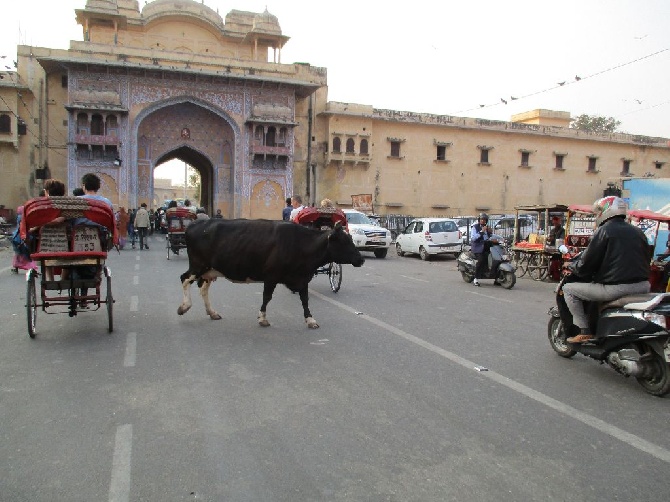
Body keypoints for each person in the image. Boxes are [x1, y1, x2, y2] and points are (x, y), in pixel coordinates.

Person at [563, 196, 651, 344]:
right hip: (643, 286)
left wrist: (570, 265)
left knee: (568, 289)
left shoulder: (604, 230)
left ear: (606, 211)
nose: (597, 215)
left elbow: (586, 265)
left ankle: (584, 331)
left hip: (616, 288)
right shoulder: (638, 232)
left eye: (598, 211)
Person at [470, 212, 493, 286]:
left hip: (486, 246)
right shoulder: (475, 227)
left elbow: (490, 237)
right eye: (481, 219)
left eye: (484, 219)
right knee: (481, 260)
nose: (483, 221)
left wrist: (491, 233)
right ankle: (476, 278)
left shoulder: (487, 227)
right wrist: (481, 232)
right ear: (479, 220)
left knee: (494, 259)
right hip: (478, 247)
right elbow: (473, 238)